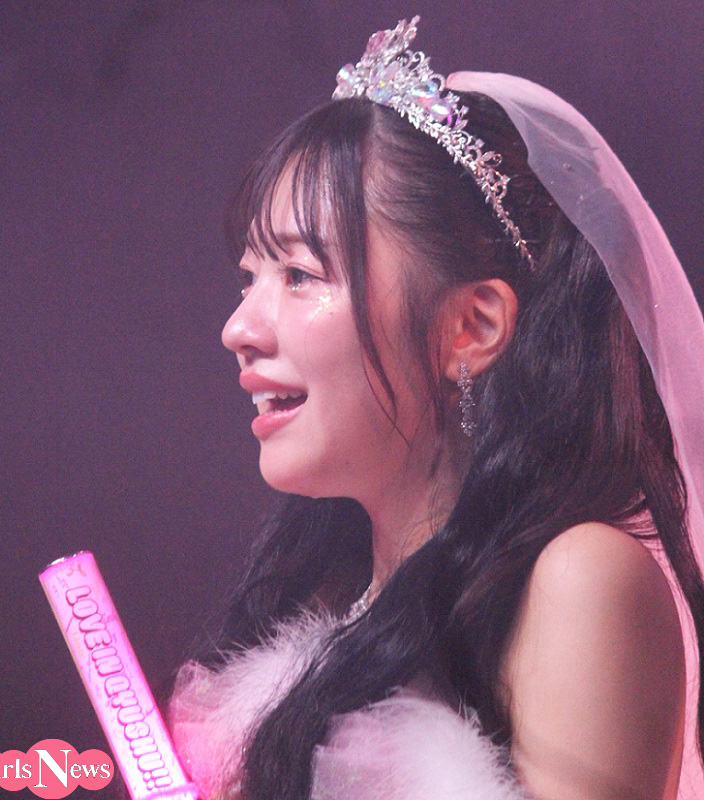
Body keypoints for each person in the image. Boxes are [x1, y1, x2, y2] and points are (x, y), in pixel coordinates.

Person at [169, 17, 704, 800]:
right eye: (250, 278)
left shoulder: (577, 581)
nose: (239, 329)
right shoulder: (330, 593)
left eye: (300, 275)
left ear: (472, 328)